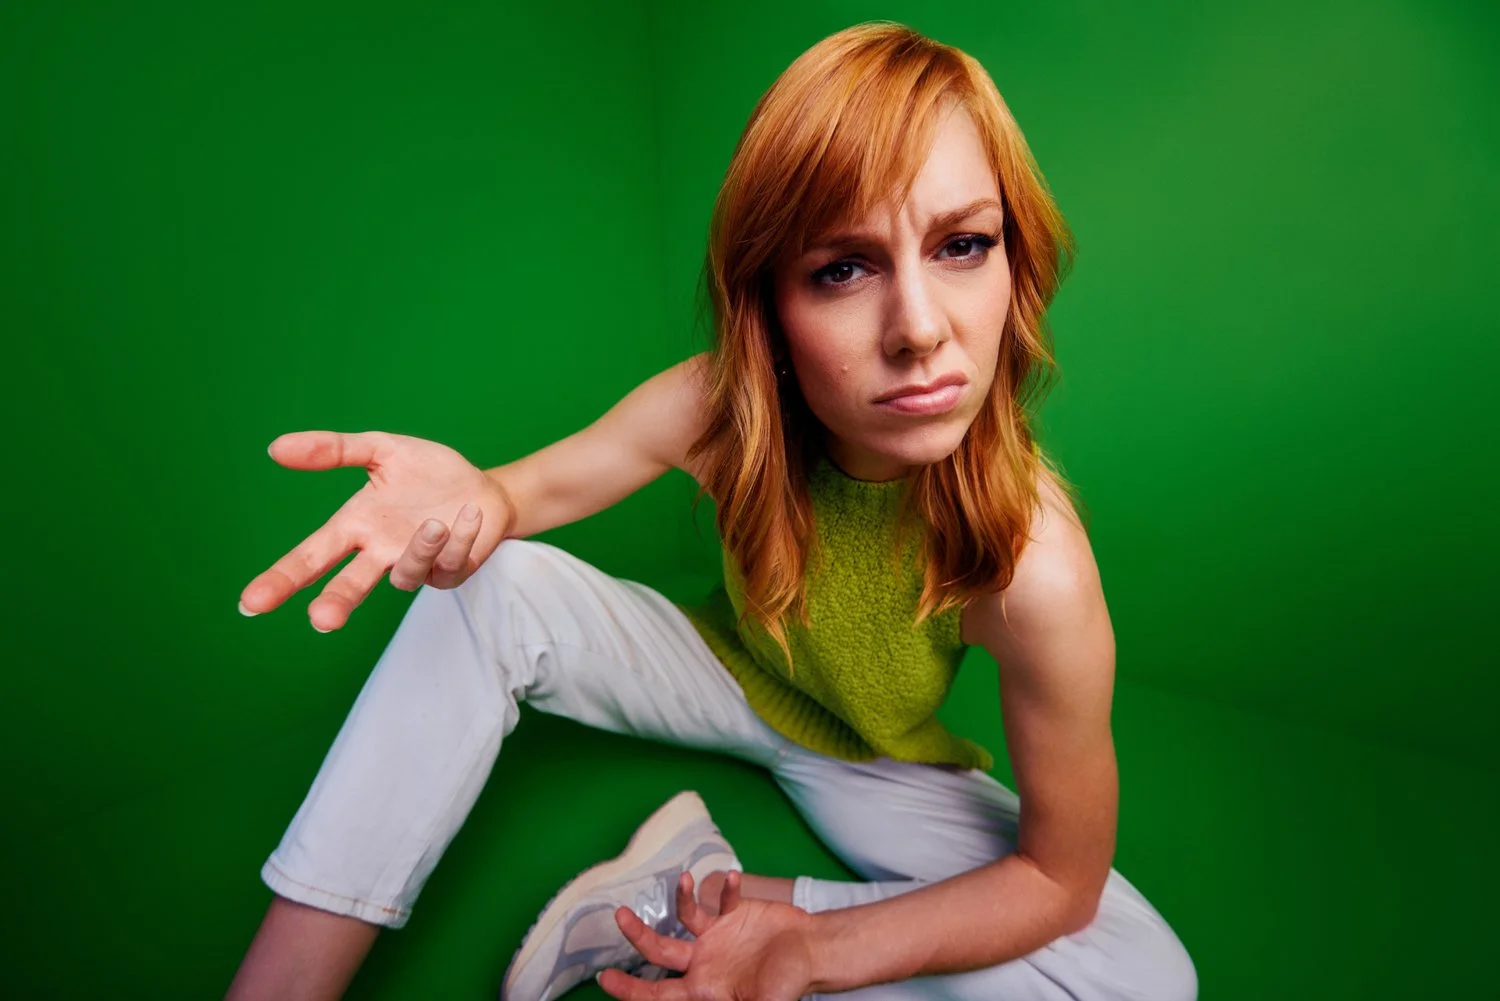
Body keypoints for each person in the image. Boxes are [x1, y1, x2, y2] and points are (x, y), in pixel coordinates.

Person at [225, 21, 1197, 1001]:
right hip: (722, 673)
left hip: (872, 763)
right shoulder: (715, 409)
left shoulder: (1039, 565)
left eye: (962, 245)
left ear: (1014, 264)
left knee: (1150, 975)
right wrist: (476, 500)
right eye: (843, 268)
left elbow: (1058, 881)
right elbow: (516, 497)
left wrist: (813, 946)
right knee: (487, 582)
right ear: (769, 305)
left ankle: (688, 896)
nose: (918, 328)